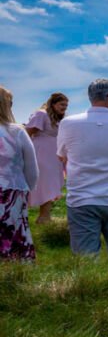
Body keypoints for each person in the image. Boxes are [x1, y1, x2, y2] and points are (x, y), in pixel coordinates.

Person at [56, 79, 108, 256]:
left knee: (85, 258)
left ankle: (89, 285)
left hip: (81, 199)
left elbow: (62, 155)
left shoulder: (68, 123)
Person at [0, 86, 39, 261]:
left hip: (11, 191)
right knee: (12, 234)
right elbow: (32, 169)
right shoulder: (17, 131)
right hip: (11, 192)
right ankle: (14, 275)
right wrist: (28, 190)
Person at [25, 92, 69, 224]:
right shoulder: (41, 114)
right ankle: (42, 217)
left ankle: (44, 217)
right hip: (41, 154)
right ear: (53, 103)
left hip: (55, 156)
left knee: (51, 185)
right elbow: (28, 134)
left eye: (66, 105)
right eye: (62, 104)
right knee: (45, 184)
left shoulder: (59, 119)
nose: (64, 107)